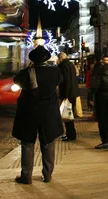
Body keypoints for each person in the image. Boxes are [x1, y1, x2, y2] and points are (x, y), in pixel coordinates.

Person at [12, 46, 63, 184]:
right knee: (48, 142)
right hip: (48, 112)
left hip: (29, 111)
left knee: (27, 143)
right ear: (46, 58)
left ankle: (26, 176)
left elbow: (15, 80)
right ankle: (47, 174)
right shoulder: (55, 72)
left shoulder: (26, 72)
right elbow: (60, 81)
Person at [58, 52, 79, 142]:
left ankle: (70, 135)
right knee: (69, 115)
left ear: (60, 58)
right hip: (73, 93)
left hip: (67, 94)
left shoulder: (63, 66)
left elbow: (66, 81)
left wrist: (65, 95)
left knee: (67, 115)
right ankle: (71, 134)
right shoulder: (70, 65)